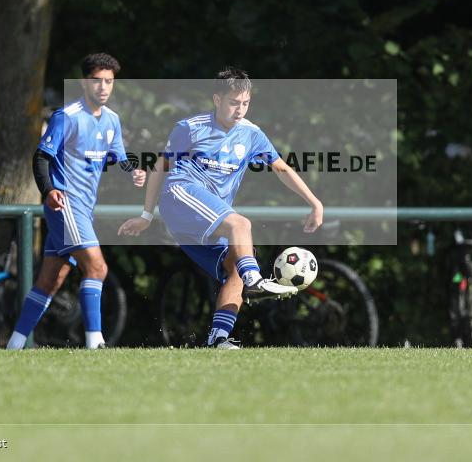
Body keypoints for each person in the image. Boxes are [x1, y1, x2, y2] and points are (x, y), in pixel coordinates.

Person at [118, 68, 323, 349]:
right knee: (242, 226)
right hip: (180, 195)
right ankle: (256, 281)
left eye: (245, 103)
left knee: (236, 266)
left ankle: (218, 338)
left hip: (209, 217)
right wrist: (146, 215)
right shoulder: (190, 127)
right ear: (217, 99)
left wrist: (314, 201)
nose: (240, 110)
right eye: (233, 103)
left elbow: (281, 168)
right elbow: (159, 168)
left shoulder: (252, 134)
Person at [6, 53, 145, 350]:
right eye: (97, 81)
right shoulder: (66, 117)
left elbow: (119, 157)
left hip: (84, 209)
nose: (103, 87)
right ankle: (95, 343)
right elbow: (42, 156)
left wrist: (133, 171)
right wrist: (48, 190)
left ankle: (14, 345)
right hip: (65, 205)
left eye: (109, 81)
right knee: (97, 267)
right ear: (84, 82)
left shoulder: (112, 121)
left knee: (50, 281)